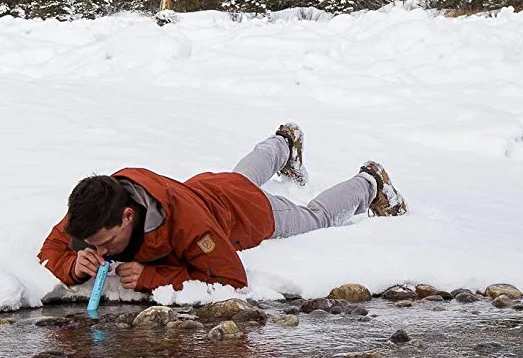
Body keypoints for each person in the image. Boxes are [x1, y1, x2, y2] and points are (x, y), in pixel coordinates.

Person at [38, 124, 407, 293]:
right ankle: (283, 142)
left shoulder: (190, 228)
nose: (99, 253)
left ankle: (371, 183)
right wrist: (72, 264)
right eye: (91, 245)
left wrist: (154, 278)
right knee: (240, 176)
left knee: (315, 217)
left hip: (249, 213)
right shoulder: (93, 206)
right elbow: (50, 249)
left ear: (128, 216)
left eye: (105, 244)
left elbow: (231, 278)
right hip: (209, 188)